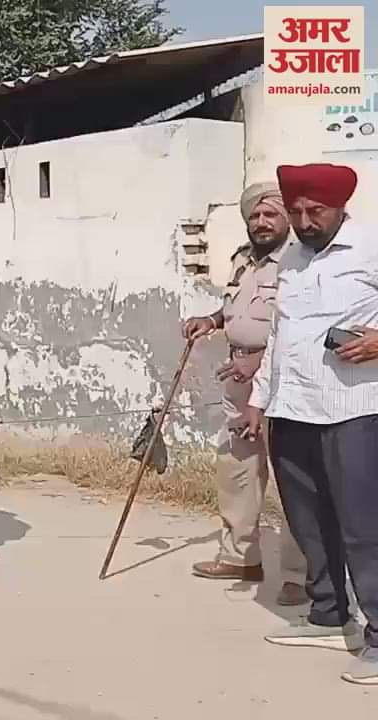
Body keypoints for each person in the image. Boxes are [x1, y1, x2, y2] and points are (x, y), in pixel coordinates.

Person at [244, 163, 378, 686]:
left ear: (340, 206)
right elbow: (280, 334)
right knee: (308, 521)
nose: (303, 220)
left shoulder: (370, 244)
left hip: (354, 407)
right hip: (293, 407)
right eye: (296, 211)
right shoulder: (293, 258)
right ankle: (329, 614)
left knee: (364, 526)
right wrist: (259, 399)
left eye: (314, 211)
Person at [181, 182, 307, 605]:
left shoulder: (298, 261)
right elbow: (236, 308)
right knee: (237, 467)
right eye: (255, 215)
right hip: (238, 375)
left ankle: (299, 574)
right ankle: (240, 556)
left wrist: (260, 362)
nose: (262, 222)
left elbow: (301, 326)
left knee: (292, 474)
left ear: (286, 218)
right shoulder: (243, 260)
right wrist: (212, 320)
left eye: (270, 214)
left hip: (283, 377)